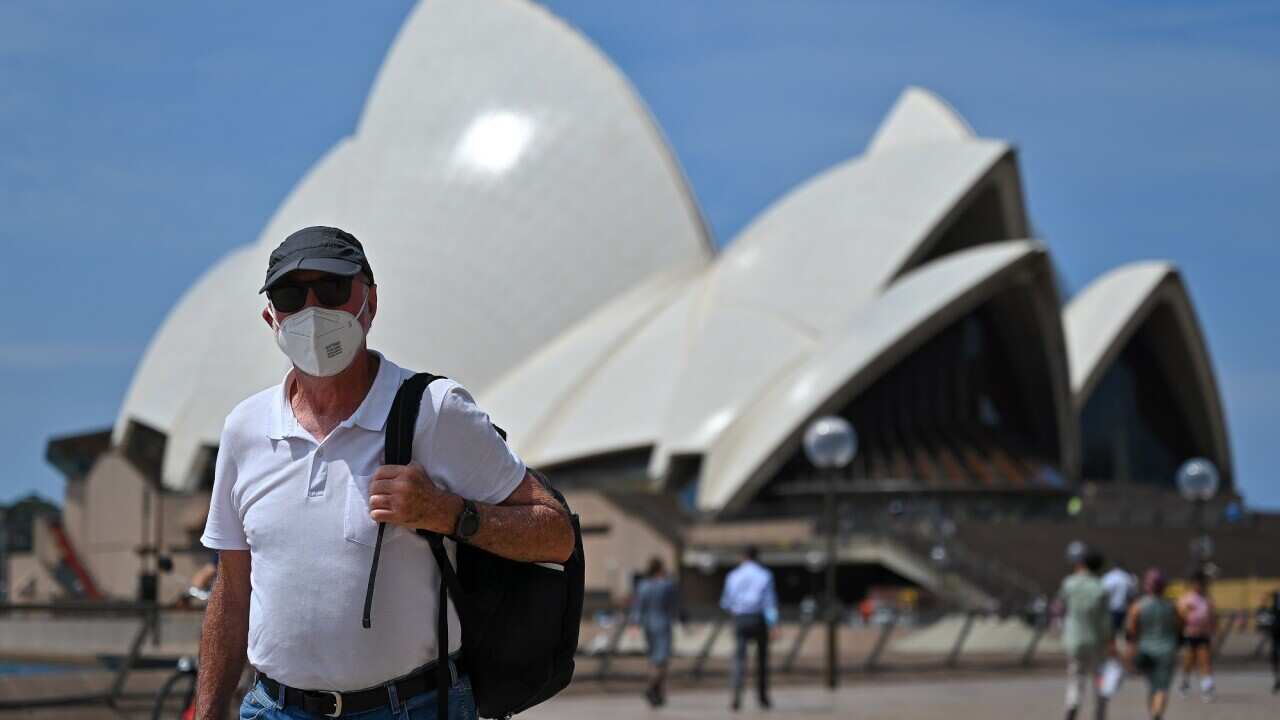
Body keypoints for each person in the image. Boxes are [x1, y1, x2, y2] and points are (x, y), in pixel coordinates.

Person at [194, 227, 575, 720]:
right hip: (275, 709)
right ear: (271, 315)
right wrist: (207, 711)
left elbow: (556, 535)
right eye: (291, 295)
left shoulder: (433, 411)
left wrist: (447, 513)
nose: (312, 311)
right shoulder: (246, 428)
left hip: (410, 708)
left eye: (331, 289)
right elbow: (232, 590)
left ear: (369, 303)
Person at [1057, 548, 1114, 720]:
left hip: (1074, 639)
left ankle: (1073, 705)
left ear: (1081, 564)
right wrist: (1110, 641)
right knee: (1099, 679)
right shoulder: (1100, 588)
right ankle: (1100, 712)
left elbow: (1061, 606)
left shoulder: (1069, 584)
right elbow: (1105, 621)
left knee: (1076, 678)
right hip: (1096, 641)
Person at [720, 545, 777, 712]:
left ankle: (736, 697)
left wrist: (736, 614)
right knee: (762, 660)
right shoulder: (765, 575)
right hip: (758, 618)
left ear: (743, 556)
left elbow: (726, 602)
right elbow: (769, 603)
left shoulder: (733, 575)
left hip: (740, 618)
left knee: (739, 659)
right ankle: (762, 697)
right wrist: (773, 623)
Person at [1124, 569, 1181, 720]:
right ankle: (1157, 714)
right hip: (1167, 650)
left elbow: (1130, 633)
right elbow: (1179, 628)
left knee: (1152, 686)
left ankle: (1153, 713)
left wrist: (1129, 655)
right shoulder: (1172, 607)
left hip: (1146, 650)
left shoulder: (1137, 607)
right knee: (1162, 687)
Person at [630, 557, 680, 707]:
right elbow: (674, 605)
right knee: (662, 660)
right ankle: (652, 688)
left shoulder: (643, 586)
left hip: (648, 625)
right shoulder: (666, 585)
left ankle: (657, 695)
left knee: (652, 659)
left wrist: (634, 624)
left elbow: (638, 607)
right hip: (663, 623)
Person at [1175, 570, 1216, 702]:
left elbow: (1212, 615)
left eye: (1201, 584)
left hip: (1203, 633)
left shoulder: (1207, 599)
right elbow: (1180, 615)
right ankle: (1185, 682)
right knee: (1189, 660)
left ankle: (1207, 688)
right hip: (1189, 633)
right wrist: (1186, 613)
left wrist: (1213, 627)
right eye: (1196, 584)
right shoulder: (1187, 598)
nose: (1199, 586)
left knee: (1205, 660)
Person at [1101, 560, 1137, 640]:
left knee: (1111, 633)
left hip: (1110, 609)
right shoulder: (1128, 578)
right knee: (1122, 634)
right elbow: (1132, 595)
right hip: (1123, 610)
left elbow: (1103, 593)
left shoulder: (1108, 577)